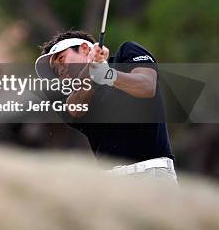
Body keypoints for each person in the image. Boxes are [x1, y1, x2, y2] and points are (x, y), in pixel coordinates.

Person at [35, 30, 177, 183]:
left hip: (152, 173)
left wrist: (108, 74)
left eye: (61, 59)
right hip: (109, 182)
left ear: (84, 49)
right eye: (54, 70)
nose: (59, 70)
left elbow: (146, 87)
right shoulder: (68, 96)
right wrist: (92, 69)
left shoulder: (128, 53)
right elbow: (75, 109)